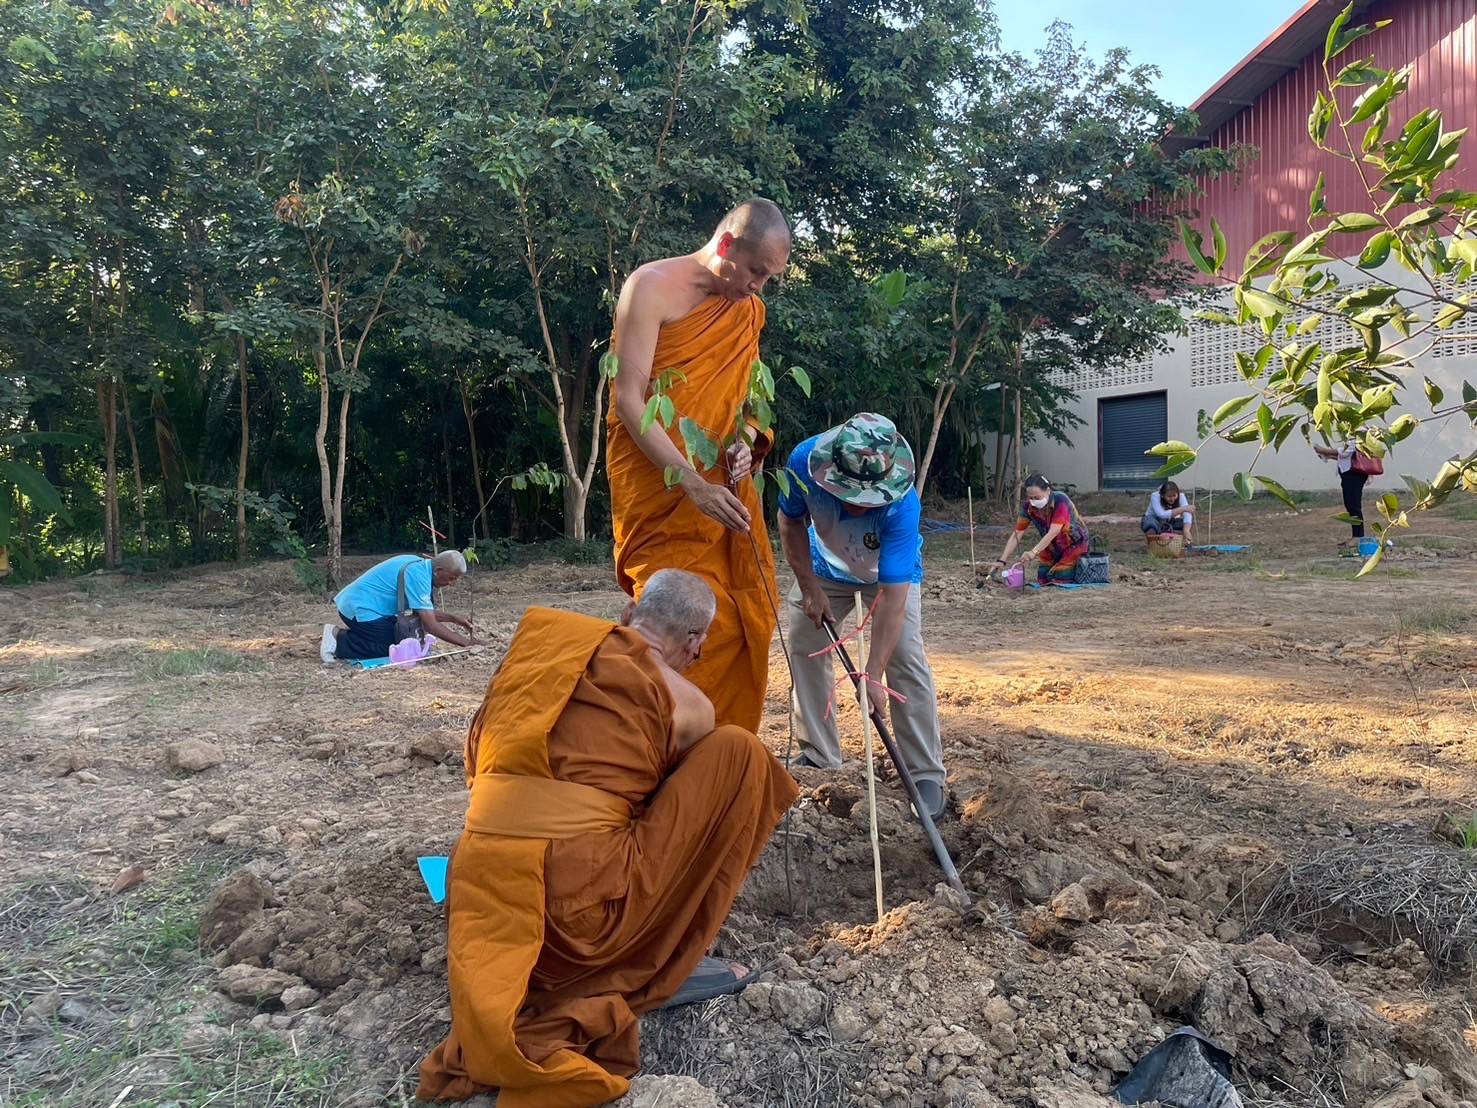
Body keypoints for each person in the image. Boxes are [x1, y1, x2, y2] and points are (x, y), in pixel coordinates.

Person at [417, 570, 798, 1107]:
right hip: (574, 932)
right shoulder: (689, 704)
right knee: (739, 753)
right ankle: (659, 955)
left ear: (627, 616)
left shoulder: (539, 656)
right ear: (695, 642)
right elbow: (665, 805)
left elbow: (476, 761)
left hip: (474, 898)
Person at [606, 198, 792, 732]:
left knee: (738, 621)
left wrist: (746, 441)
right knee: (669, 622)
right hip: (664, 489)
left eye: (769, 278)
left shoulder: (748, 312)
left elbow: (751, 400)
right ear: (727, 244)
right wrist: (690, 483)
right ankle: (640, 741)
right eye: (756, 271)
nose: (758, 286)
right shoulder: (650, 287)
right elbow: (629, 399)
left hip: (726, 491)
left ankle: (712, 750)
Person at [776, 413, 948, 819]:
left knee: (905, 657)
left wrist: (871, 675)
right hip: (823, 567)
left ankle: (925, 774)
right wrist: (810, 587)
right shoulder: (803, 462)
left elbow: (892, 600)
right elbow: (789, 521)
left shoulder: (902, 505)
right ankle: (819, 754)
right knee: (804, 640)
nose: (857, 504)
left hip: (885, 576)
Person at [320, 550, 475, 662]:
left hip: (360, 605)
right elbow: (431, 625)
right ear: (438, 571)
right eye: (451, 578)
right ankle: (338, 641)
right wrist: (467, 643)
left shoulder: (419, 565)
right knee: (396, 647)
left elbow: (423, 612)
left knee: (403, 638)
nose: (452, 584)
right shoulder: (418, 576)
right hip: (357, 609)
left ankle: (357, 635)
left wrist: (455, 619)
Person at [994, 474, 1091, 586]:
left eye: (1037, 497)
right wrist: (1002, 560)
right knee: (1043, 578)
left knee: (1059, 577)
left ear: (1048, 491)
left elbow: (1054, 531)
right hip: (1051, 546)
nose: (1033, 501)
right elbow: (1018, 532)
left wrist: (1033, 552)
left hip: (1074, 544)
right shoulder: (1028, 507)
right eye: (1030, 498)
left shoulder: (1061, 500)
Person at [1315, 442, 1369, 548]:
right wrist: (1329, 456)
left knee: (1353, 505)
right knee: (1350, 505)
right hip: (1350, 474)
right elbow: (1347, 456)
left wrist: (1323, 450)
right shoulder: (1353, 436)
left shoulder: (1359, 436)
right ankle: (1356, 535)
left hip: (1355, 474)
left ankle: (1358, 536)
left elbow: (1344, 452)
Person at [1141, 481, 1195, 546]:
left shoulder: (1181, 496)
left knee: (1187, 524)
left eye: (1174, 496)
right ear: (1162, 495)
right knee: (1151, 527)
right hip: (1153, 519)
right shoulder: (1155, 496)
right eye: (1169, 496)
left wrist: (1186, 530)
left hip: (1168, 521)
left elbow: (1187, 513)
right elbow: (1161, 514)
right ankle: (1153, 546)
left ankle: (1180, 543)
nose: (1172, 499)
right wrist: (1182, 509)